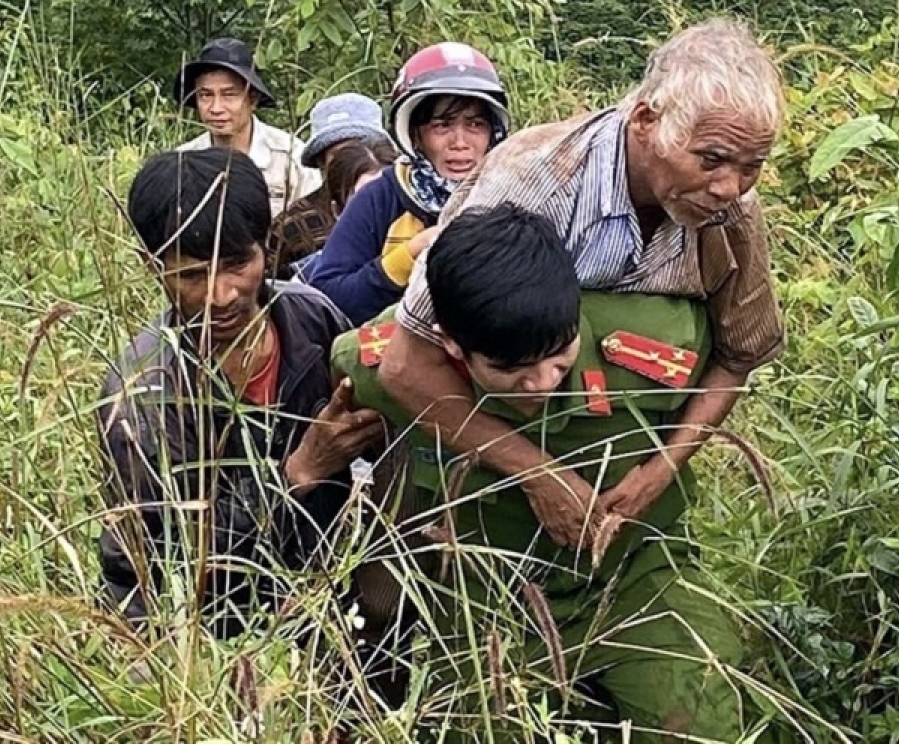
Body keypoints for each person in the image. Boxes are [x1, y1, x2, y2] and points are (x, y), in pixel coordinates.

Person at [331, 205, 788, 741]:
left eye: (558, 356)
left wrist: (662, 468)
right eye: (510, 371)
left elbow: (737, 362)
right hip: (492, 598)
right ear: (450, 346)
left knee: (707, 720)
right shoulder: (387, 365)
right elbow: (345, 380)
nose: (541, 382)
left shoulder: (652, 340)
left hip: (635, 576)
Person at [378, 17, 786, 551]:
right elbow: (406, 364)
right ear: (645, 120)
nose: (729, 186)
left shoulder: (731, 212)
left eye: (751, 166)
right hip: (484, 476)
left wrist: (660, 469)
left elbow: (740, 355)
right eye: (709, 159)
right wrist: (538, 475)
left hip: (628, 492)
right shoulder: (529, 186)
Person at [96, 147, 385, 639]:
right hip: (217, 629)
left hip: (337, 588)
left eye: (238, 263)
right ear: (152, 266)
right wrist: (296, 473)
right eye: (190, 275)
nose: (222, 294)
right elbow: (152, 564)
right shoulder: (143, 393)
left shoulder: (311, 316)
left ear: (265, 248)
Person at [308, 42, 510, 326]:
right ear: (415, 134)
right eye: (442, 125)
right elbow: (326, 297)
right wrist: (409, 255)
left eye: (475, 124)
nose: (460, 143)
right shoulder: (382, 197)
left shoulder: (514, 193)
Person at [174, 37, 321, 217]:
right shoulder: (182, 162)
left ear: (253, 99)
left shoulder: (292, 157)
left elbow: (315, 228)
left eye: (229, 95)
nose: (216, 108)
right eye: (205, 95)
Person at [267, 92, 398, 278]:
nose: (355, 159)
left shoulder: (417, 207)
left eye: (360, 147)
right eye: (339, 154)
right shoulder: (292, 225)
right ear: (321, 162)